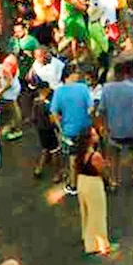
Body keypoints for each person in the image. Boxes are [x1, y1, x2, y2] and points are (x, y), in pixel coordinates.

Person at [98, 60, 133, 191]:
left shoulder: (106, 89)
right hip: (132, 128)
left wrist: (104, 127)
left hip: (114, 130)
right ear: (125, 74)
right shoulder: (132, 88)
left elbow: (102, 110)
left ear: (114, 74)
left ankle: (114, 181)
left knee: (114, 157)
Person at [50, 65, 94, 194]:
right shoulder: (83, 88)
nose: (79, 75)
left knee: (73, 157)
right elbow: (91, 108)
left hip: (69, 130)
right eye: (77, 73)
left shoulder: (58, 92)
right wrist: (85, 117)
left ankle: (74, 185)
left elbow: (54, 113)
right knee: (87, 152)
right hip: (85, 127)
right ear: (70, 75)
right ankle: (91, 179)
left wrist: (60, 128)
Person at [73, 129, 113, 255]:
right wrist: (109, 181)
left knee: (86, 212)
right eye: (94, 134)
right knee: (97, 215)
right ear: (89, 139)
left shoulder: (79, 154)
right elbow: (102, 171)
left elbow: (75, 168)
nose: (97, 136)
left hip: (82, 182)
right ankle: (98, 245)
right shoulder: (95, 156)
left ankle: (87, 237)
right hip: (93, 184)